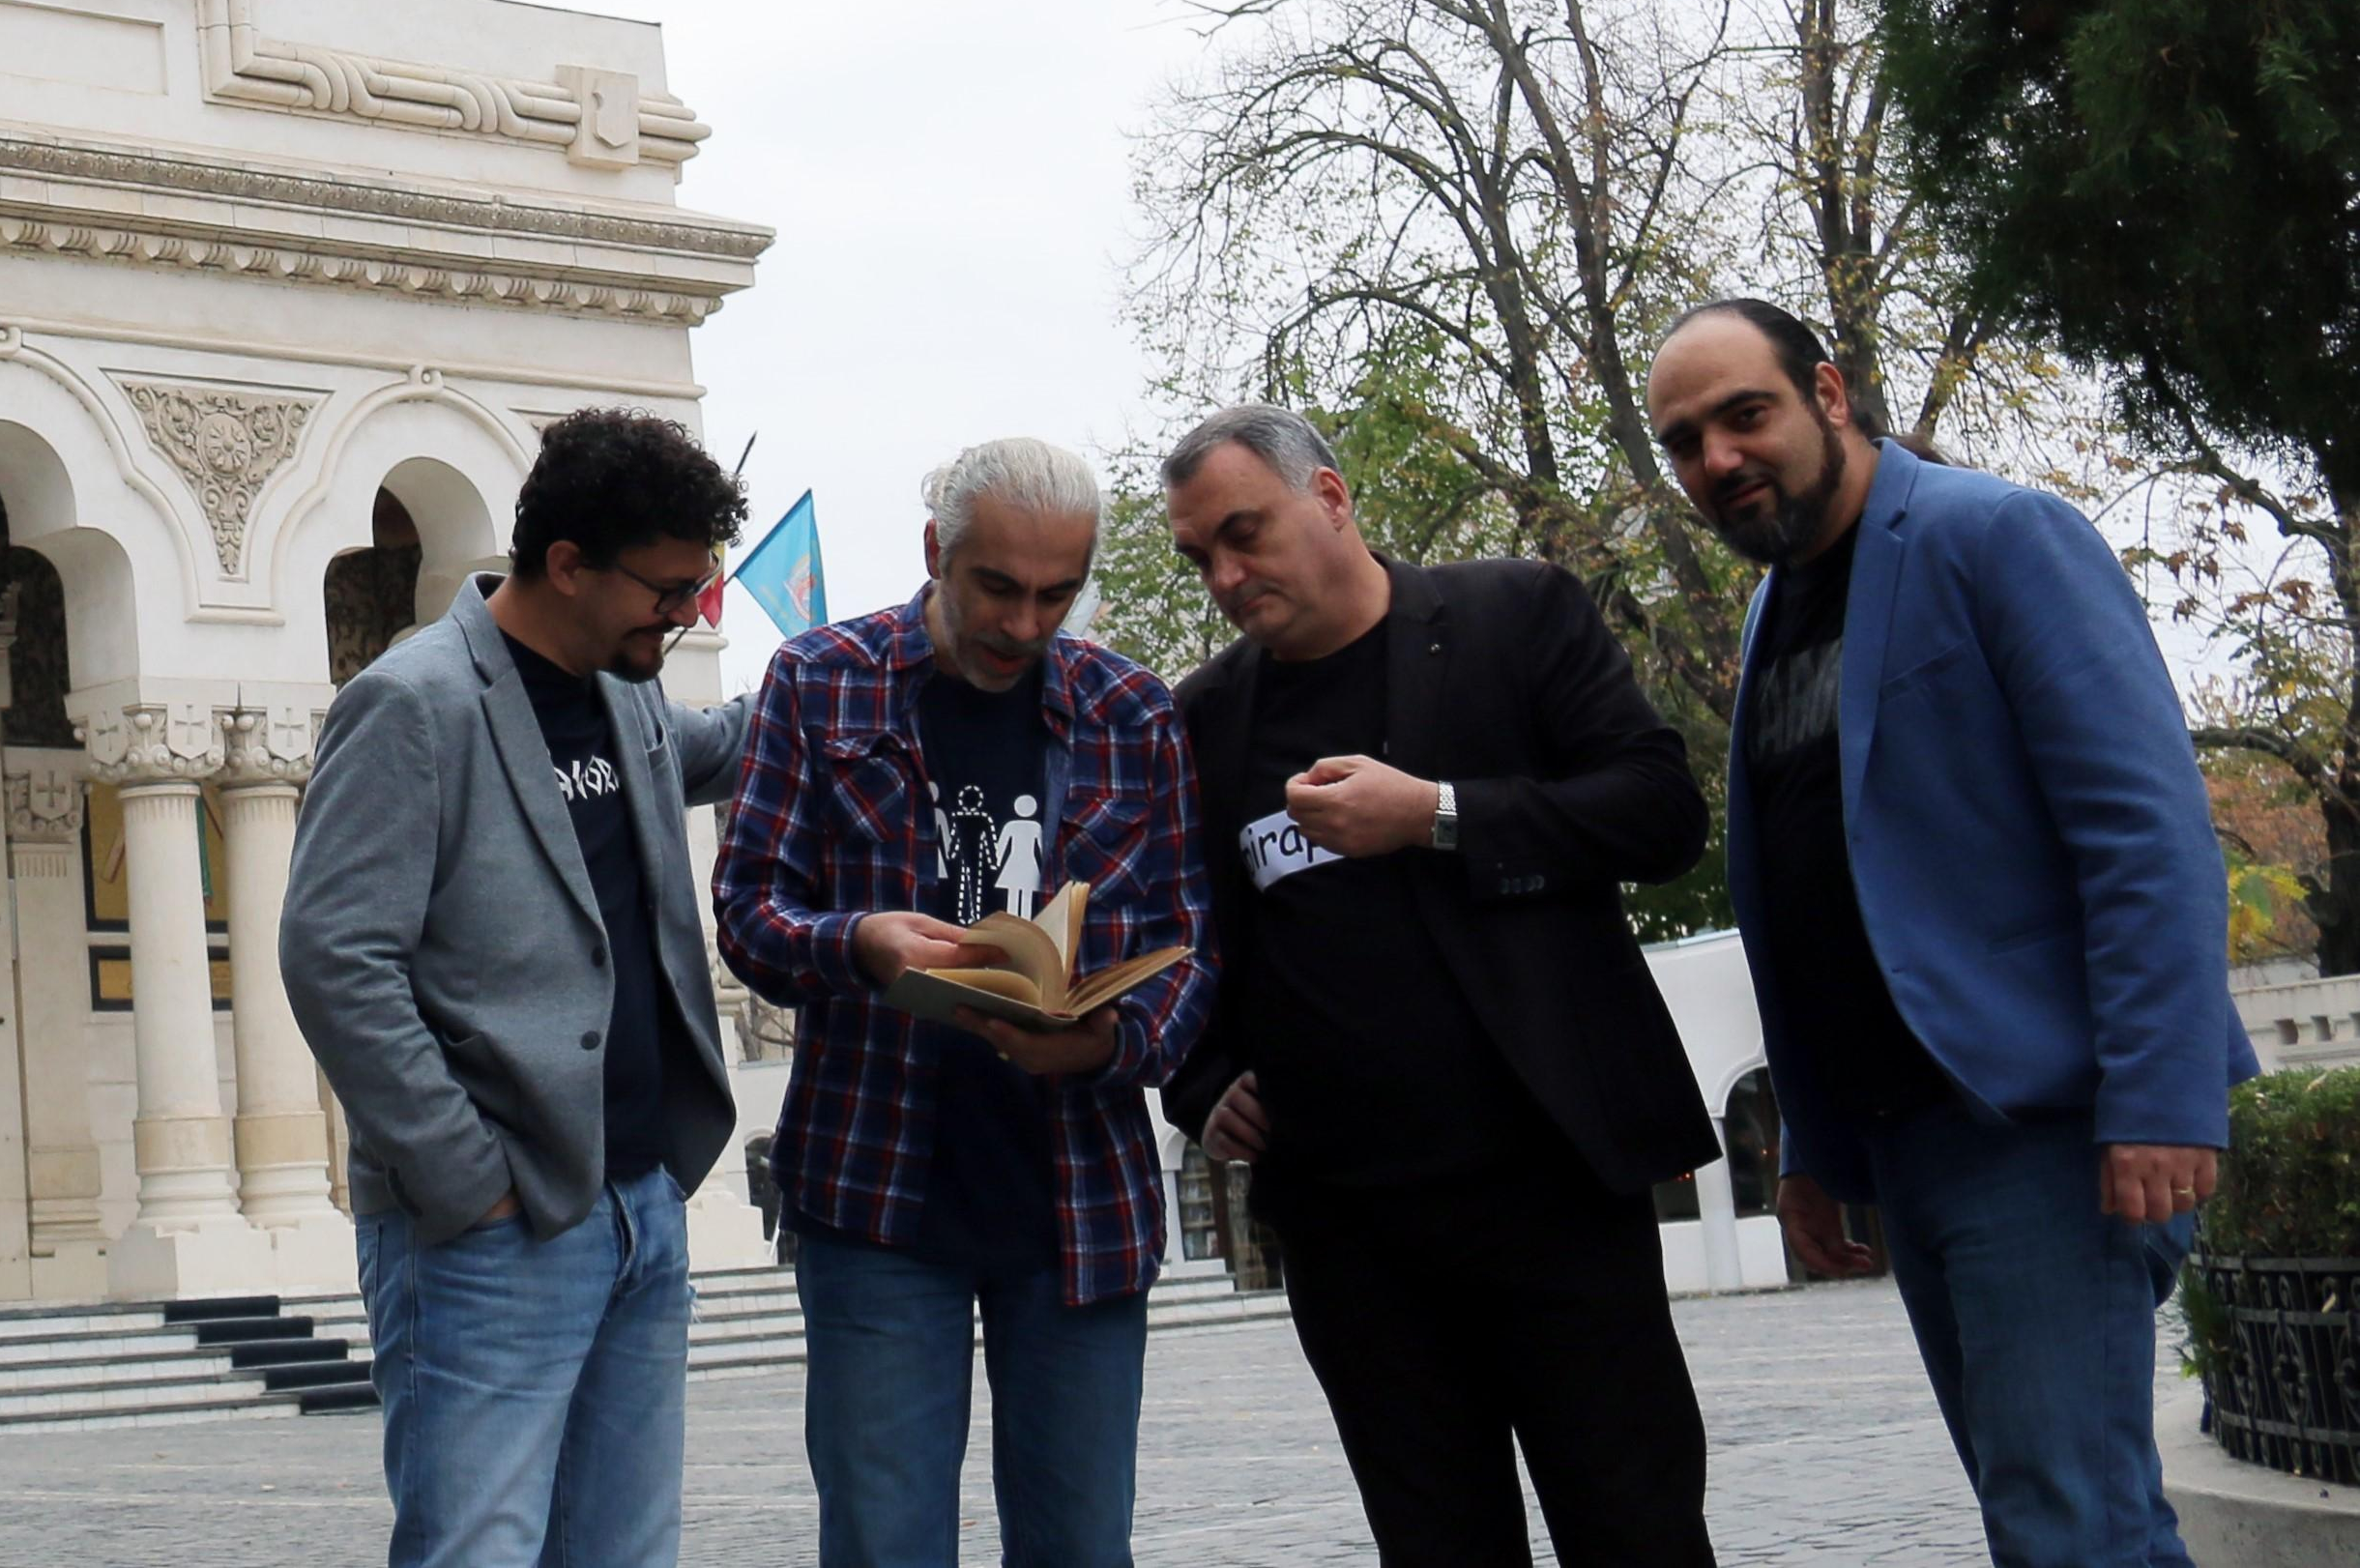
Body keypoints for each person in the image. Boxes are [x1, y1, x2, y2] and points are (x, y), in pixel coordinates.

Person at [1657, 298, 2251, 1568]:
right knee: (2068, 1513)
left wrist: (2160, 1093)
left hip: (2044, 1128)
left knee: (2066, 1522)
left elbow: (2145, 833)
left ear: (1827, 394)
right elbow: (1811, 899)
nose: (1717, 457)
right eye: (1685, 440)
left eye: (1743, 413)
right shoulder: (1779, 616)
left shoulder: (1998, 536)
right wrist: (1810, 1141)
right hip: (1905, 1139)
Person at [1155, 404, 1721, 1568]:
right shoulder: (1203, 720)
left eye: (1243, 532)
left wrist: (1436, 813)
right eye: (1197, 554)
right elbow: (1178, 938)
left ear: (1329, 496)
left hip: (1553, 1187)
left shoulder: (1512, 616)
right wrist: (1198, 1080)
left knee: (1635, 1528)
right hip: (1350, 1231)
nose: (1223, 573)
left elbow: (1660, 813)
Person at [714, 437, 1211, 1568]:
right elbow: (746, 906)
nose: (1024, 622)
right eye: (996, 586)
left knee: (1082, 1546)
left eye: (1055, 593)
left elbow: (1188, 953)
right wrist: (857, 945)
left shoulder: (1133, 710)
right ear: (936, 549)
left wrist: (1106, 1039)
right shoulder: (817, 677)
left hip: (1079, 1201)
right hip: (873, 1191)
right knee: (884, 1543)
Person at [283, 406, 754, 1568]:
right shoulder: (413, 703)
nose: (684, 613)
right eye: (664, 588)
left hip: (642, 1201)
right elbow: (333, 955)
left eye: (699, 587)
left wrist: (890, 656)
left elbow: (730, 742)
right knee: (478, 1549)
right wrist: (463, 1176)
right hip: (491, 1228)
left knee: (624, 1551)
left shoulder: (626, 688)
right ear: (565, 564)